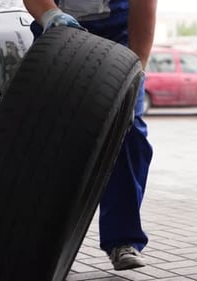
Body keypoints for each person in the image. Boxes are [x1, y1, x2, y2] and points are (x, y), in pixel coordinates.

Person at [23, 0, 157, 271]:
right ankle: (45, 241)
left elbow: (143, 9)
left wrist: (136, 74)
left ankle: (122, 240)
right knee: (48, 135)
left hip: (119, 36)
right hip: (58, 30)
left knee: (129, 137)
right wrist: (50, 14)